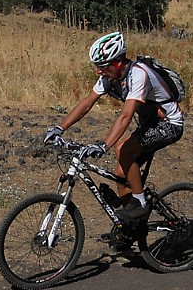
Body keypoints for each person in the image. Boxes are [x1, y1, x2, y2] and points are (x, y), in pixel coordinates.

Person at [44, 31, 184, 224]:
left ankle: (141, 205)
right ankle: (130, 227)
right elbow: (87, 103)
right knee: (120, 174)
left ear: (117, 63)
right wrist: (60, 128)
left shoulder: (138, 74)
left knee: (122, 150)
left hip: (169, 124)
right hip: (149, 123)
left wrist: (104, 145)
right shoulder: (110, 76)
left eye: (101, 67)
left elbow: (126, 116)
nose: (98, 72)